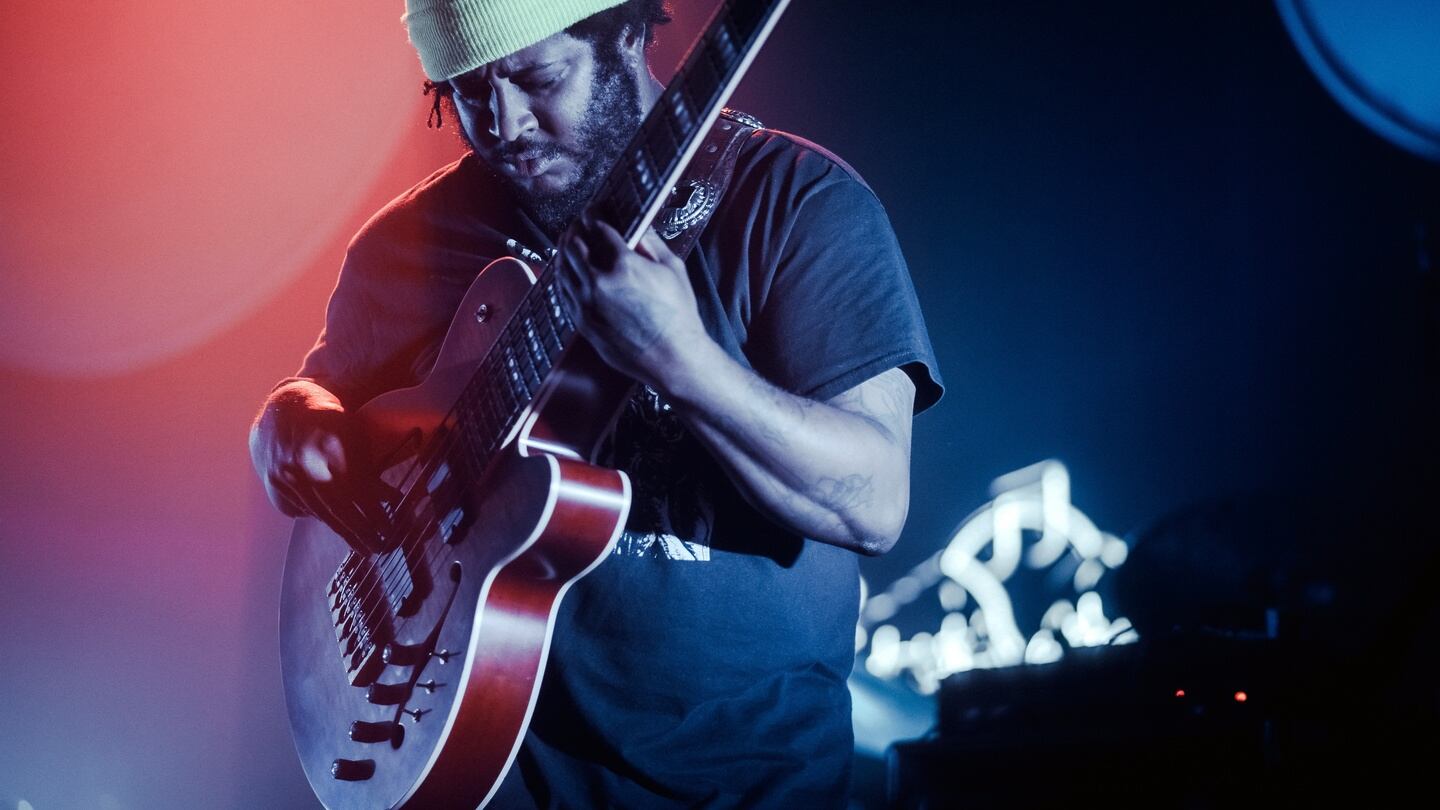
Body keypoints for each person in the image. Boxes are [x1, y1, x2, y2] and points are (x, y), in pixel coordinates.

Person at [249, 0, 943, 805]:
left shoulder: (800, 205)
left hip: (745, 786)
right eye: (468, 94)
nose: (504, 122)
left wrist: (682, 362)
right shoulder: (403, 245)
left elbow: (876, 503)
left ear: (627, 29)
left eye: (537, 77)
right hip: (488, 776)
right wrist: (286, 422)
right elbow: (323, 399)